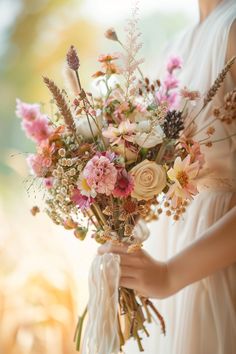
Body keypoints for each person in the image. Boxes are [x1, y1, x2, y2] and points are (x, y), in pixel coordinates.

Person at [99, 0, 236, 353]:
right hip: (174, 243)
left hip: (217, 262)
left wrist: (170, 274)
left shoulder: (232, 29)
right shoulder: (176, 46)